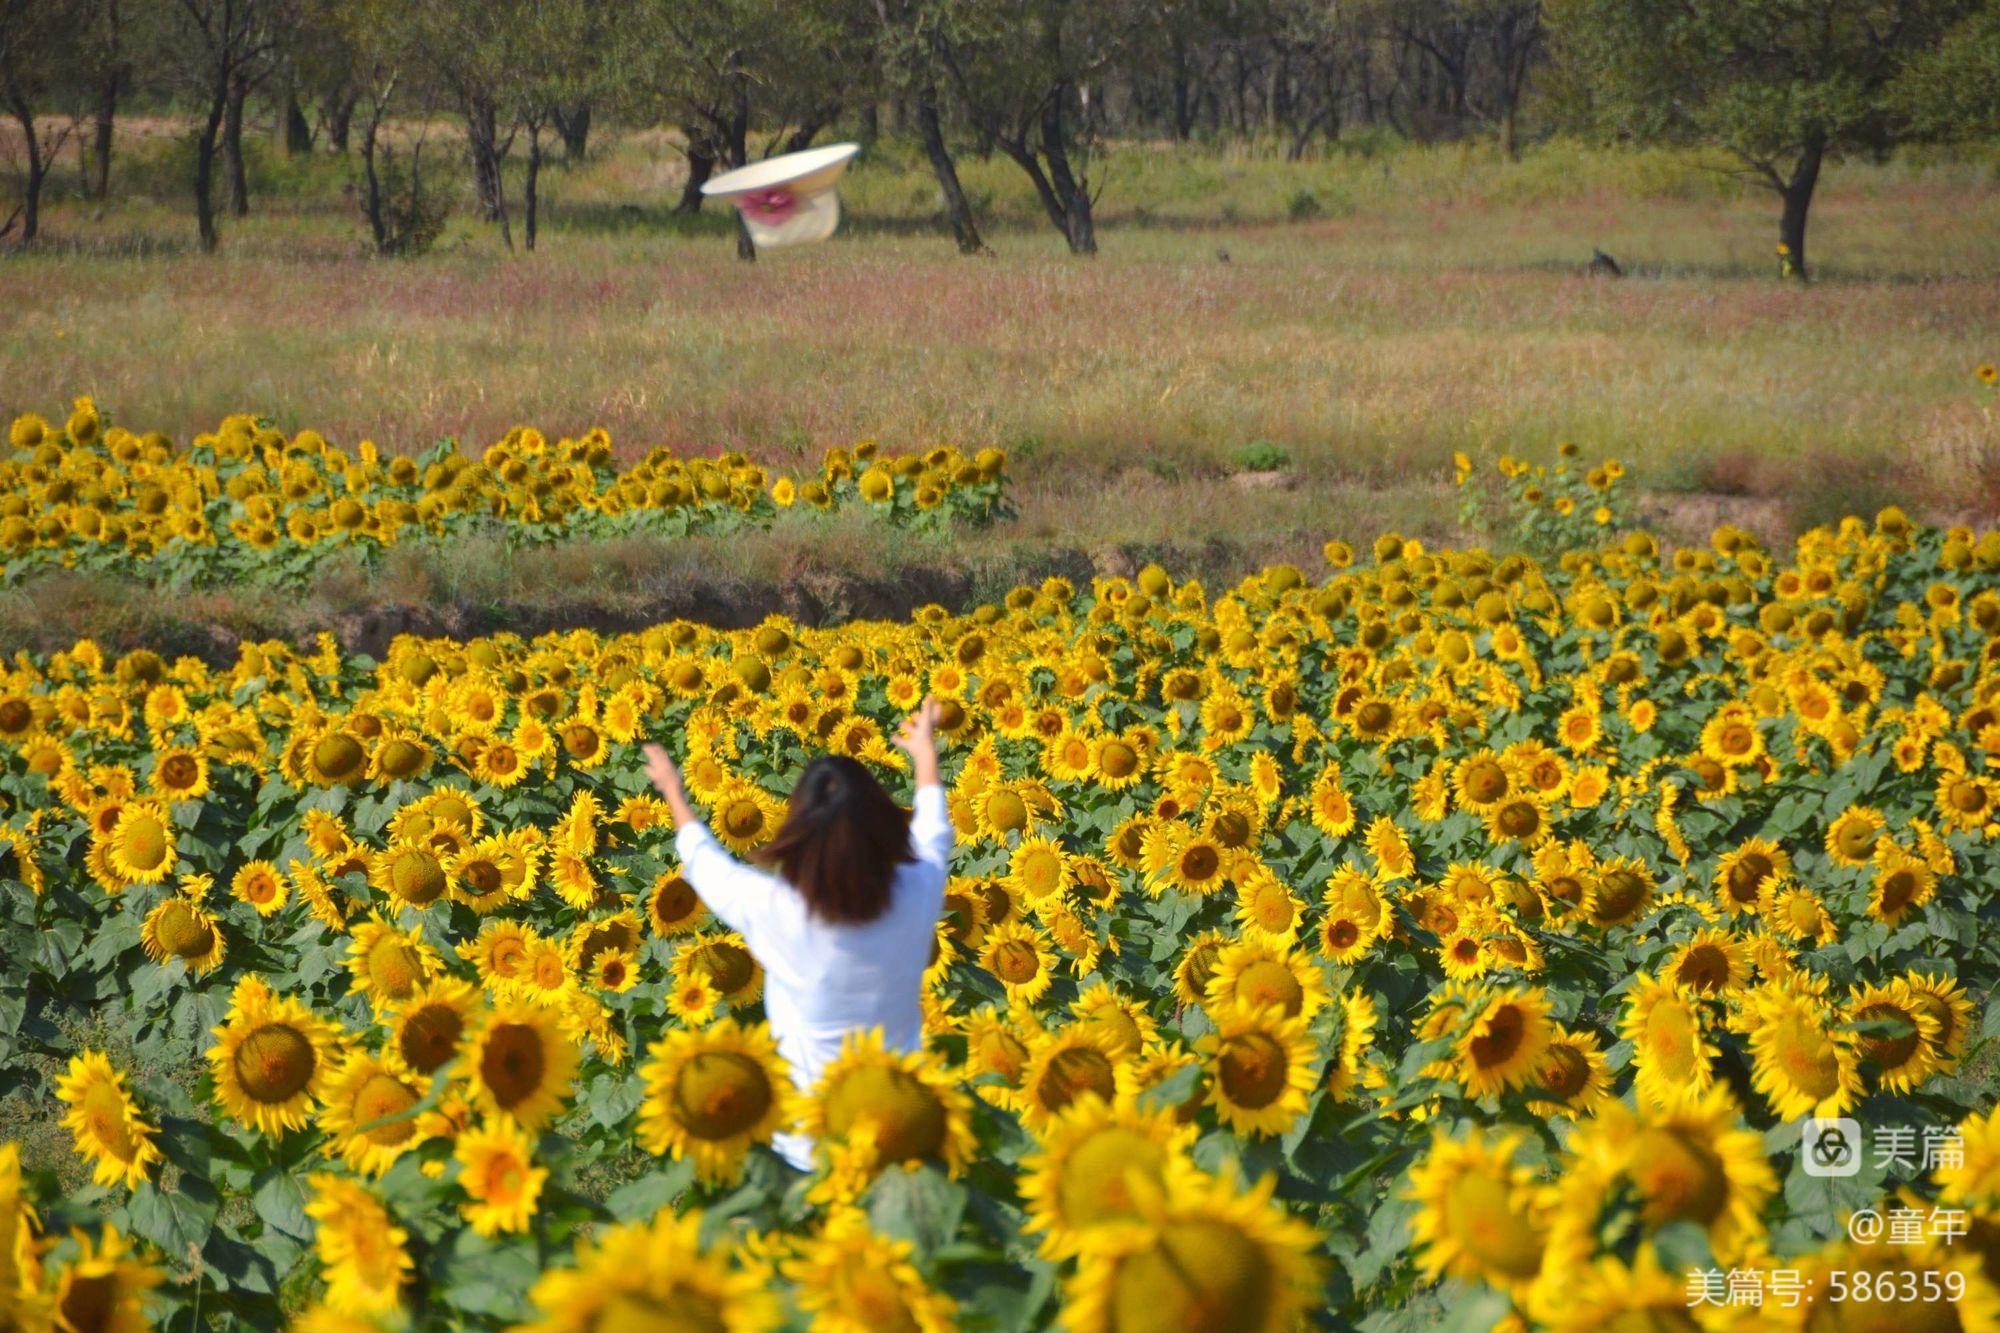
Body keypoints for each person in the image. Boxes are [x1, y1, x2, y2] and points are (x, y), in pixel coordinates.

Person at [640, 697, 950, 1170]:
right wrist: (925, 755)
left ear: (799, 832)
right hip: (903, 1130)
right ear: (885, 826)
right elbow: (933, 832)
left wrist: (673, 792)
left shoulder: (774, 910)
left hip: (810, 1142)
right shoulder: (918, 890)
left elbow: (706, 865)